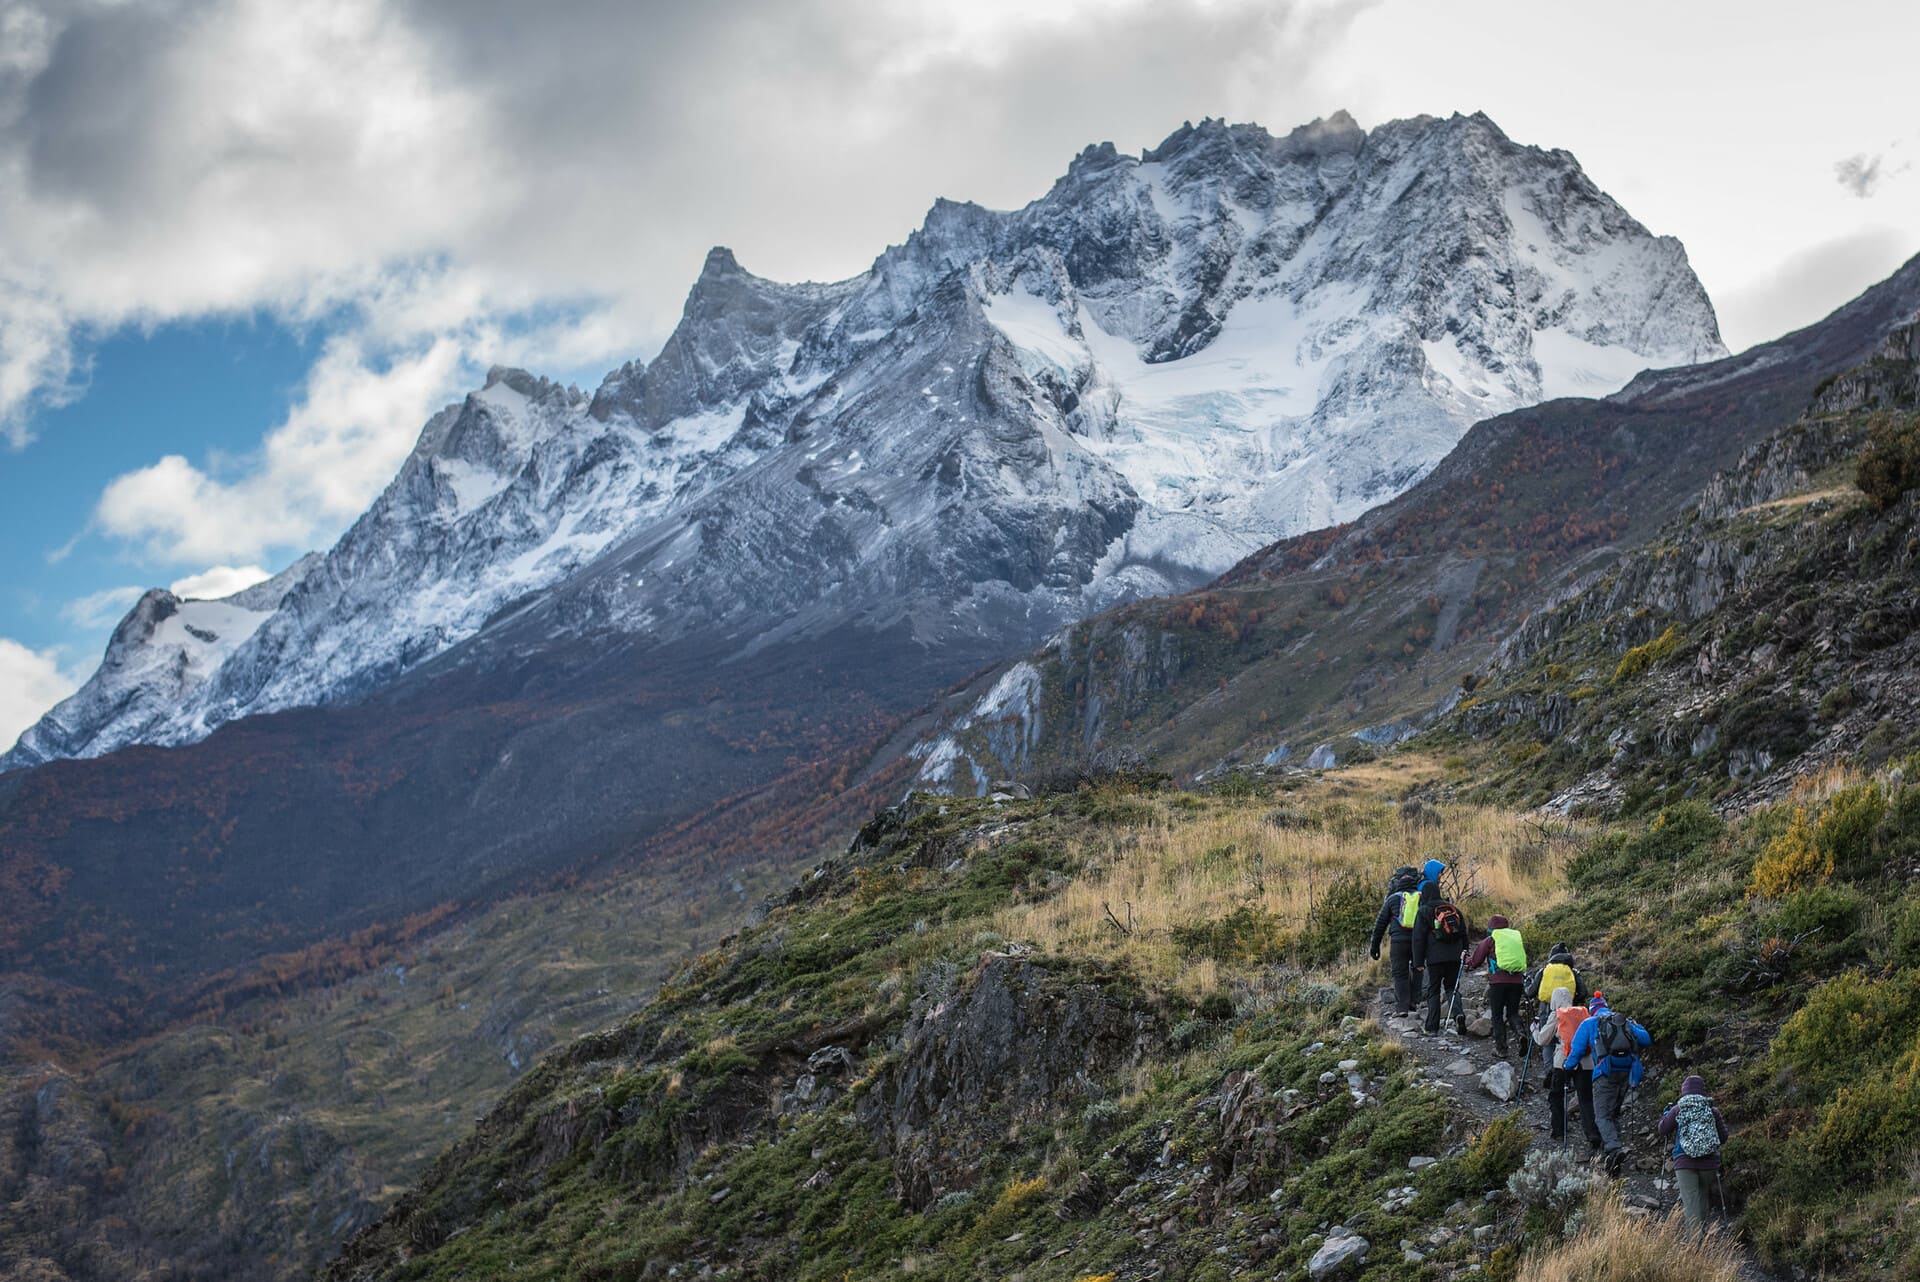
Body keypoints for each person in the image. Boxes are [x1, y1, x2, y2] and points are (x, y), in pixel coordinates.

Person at [1564, 992, 1651, 1175]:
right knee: (1613, 1113)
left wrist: (1567, 1067)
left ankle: (1613, 1149)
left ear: (1591, 1010)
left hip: (1604, 1074)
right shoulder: (1623, 1022)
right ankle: (1612, 1154)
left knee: (1601, 1115)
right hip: (1626, 1073)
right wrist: (1636, 1024)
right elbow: (1646, 1039)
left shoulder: (1589, 1023)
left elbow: (1577, 1050)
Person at [1531, 987, 1600, 1148]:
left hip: (1563, 1061)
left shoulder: (1557, 1014)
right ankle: (1592, 1133)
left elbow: (1542, 1040)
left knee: (1556, 1096)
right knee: (1586, 1099)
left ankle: (1559, 1131)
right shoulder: (1583, 1012)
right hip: (1587, 1062)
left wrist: (1534, 1030)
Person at [1658, 1075, 1729, 1232]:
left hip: (1685, 1163)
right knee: (1702, 1198)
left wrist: (1666, 1114)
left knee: (1691, 1202)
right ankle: (1702, 1239)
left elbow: (1663, 1130)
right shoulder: (1712, 1110)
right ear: (1702, 1091)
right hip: (1708, 1164)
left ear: (1684, 1091)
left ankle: (1694, 1246)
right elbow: (1723, 1137)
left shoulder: (1678, 1109)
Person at [1463, 913, 1528, 1057]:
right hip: (1517, 982)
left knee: (1497, 1015)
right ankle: (1521, 1034)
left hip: (1498, 983)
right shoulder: (1515, 938)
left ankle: (1501, 1049)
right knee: (1512, 1013)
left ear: (1491, 927)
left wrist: (1466, 960)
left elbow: (1475, 961)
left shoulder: (1490, 940)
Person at [1411, 889, 1469, 1035]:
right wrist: (1465, 951)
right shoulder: (1452, 909)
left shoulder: (1424, 911)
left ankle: (1431, 1027)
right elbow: (1463, 932)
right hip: (1455, 956)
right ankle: (1458, 1014)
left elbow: (1418, 938)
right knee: (1451, 988)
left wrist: (1418, 962)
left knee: (1434, 990)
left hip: (1434, 958)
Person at [1370, 866, 1423, 1015]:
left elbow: (1380, 924)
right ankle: (1414, 1001)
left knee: (1400, 973)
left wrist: (1375, 946)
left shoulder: (1392, 899)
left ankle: (1402, 1008)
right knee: (1418, 969)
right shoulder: (1422, 897)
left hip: (1398, 942)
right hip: (1418, 941)